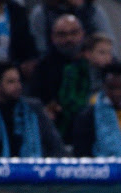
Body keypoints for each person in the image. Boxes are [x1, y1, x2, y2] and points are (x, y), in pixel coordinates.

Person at [0, 60, 66, 157]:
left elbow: (56, 146)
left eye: (18, 81)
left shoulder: (35, 110)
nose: (18, 86)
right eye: (11, 82)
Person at [26, 13, 88, 149]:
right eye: (62, 34)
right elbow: (34, 101)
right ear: (52, 37)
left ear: (82, 34)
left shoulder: (94, 62)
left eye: (73, 33)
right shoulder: (44, 67)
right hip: (56, 134)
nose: (69, 39)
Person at [72, 61, 121, 157]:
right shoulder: (87, 116)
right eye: (112, 88)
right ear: (104, 87)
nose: (117, 93)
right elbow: (81, 151)